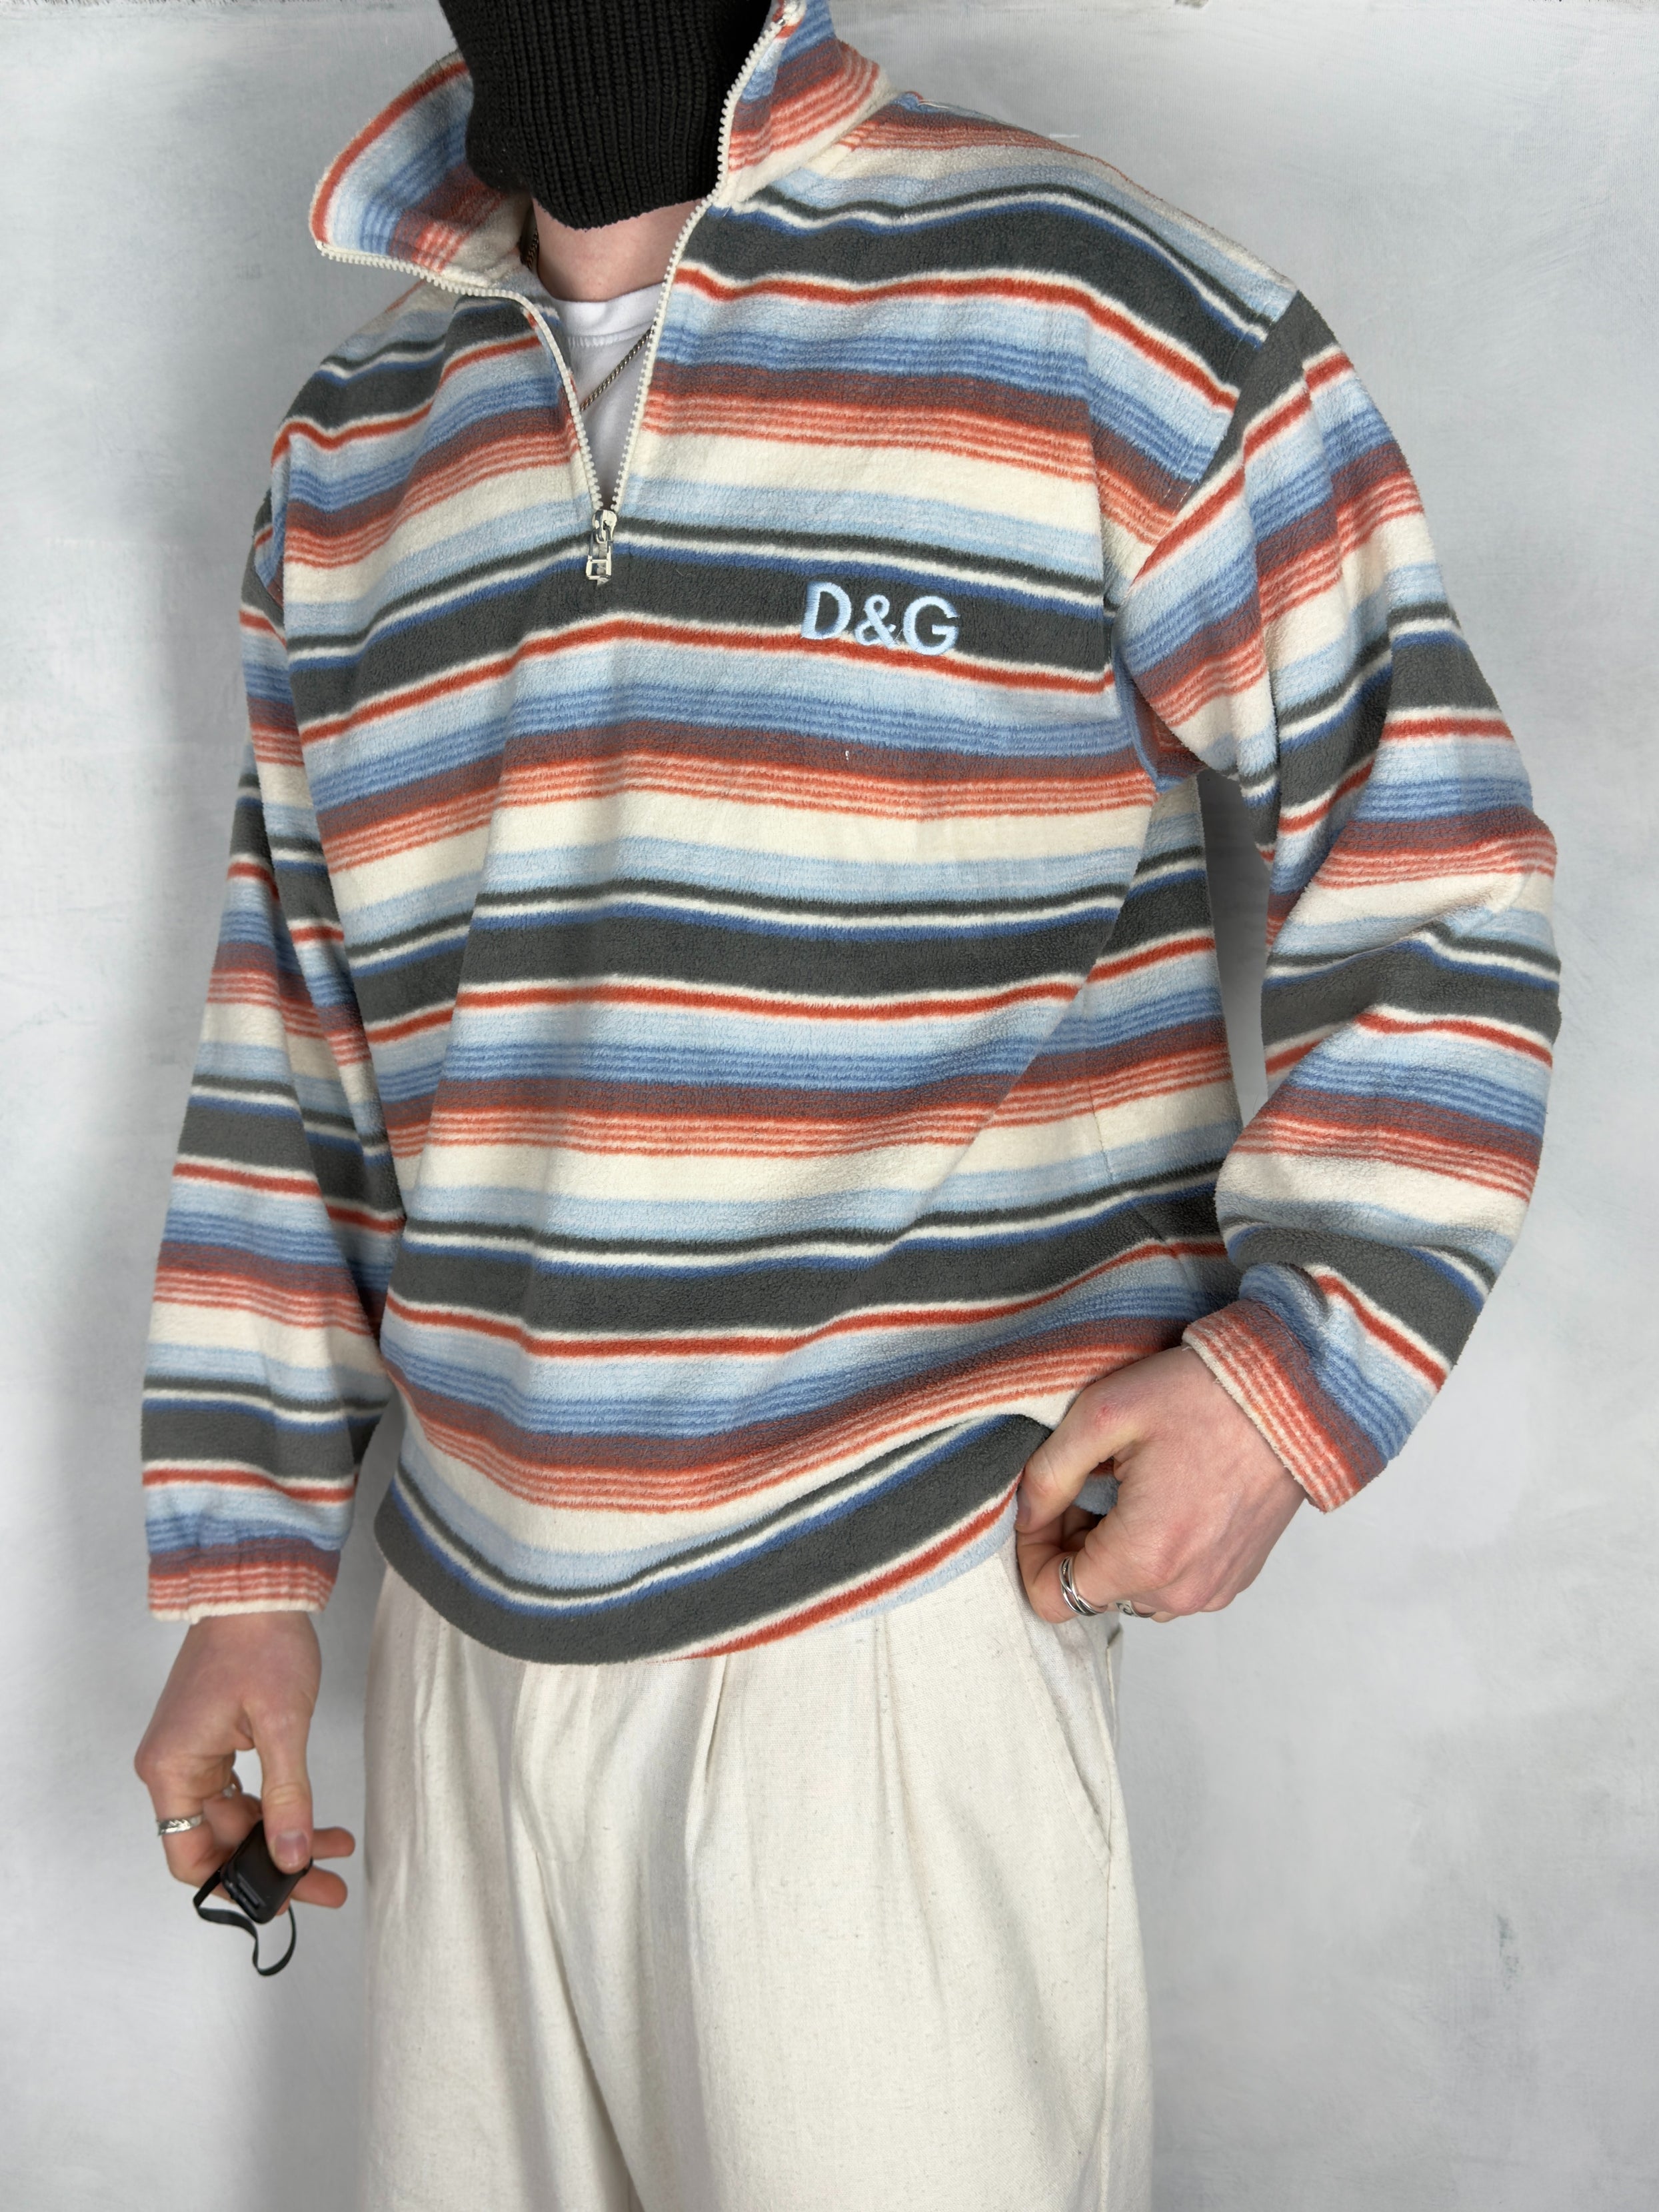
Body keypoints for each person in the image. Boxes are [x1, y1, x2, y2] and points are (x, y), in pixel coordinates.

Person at [133, 1, 1560, 2204]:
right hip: (462, 1641)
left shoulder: (1085, 305)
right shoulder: (353, 447)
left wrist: (1284, 1391)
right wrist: (246, 1568)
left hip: (896, 1611)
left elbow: (1432, 862)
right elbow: (295, 1036)